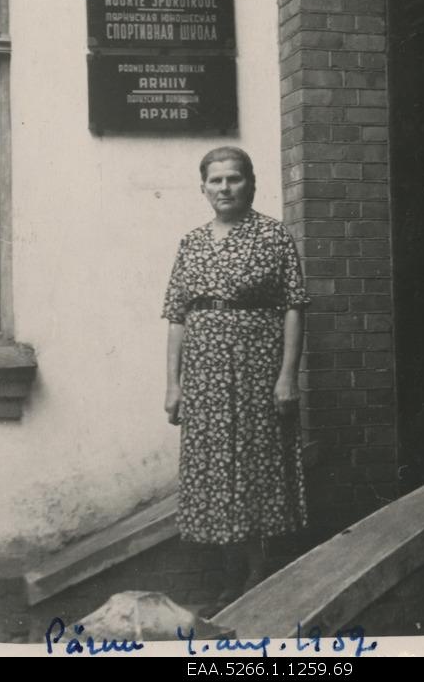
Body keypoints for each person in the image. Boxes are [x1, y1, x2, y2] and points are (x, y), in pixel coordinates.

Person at [161, 146, 310, 615]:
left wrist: (288, 375)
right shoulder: (191, 242)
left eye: (234, 179)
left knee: (254, 458)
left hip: (256, 367)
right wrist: (173, 382)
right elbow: (176, 316)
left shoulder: (273, 236)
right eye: (216, 181)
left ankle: (257, 568)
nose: (225, 188)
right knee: (215, 463)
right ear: (203, 187)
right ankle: (232, 571)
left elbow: (294, 307)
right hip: (204, 372)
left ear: (251, 182)